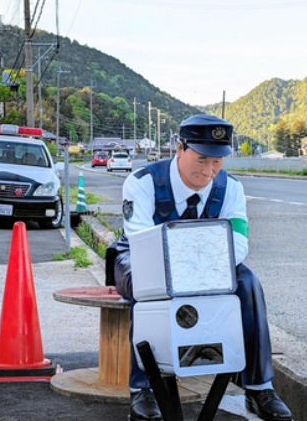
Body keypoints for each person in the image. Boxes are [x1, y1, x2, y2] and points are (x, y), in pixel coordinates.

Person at [113, 114, 293, 421]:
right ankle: (142, 389)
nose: (209, 171)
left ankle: (259, 387)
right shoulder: (142, 183)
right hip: (141, 257)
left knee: (247, 282)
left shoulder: (231, 188)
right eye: (201, 160)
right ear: (180, 149)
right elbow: (142, 243)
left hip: (210, 263)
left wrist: (203, 271)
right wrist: (189, 272)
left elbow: (237, 243)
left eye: (218, 162)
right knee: (147, 283)